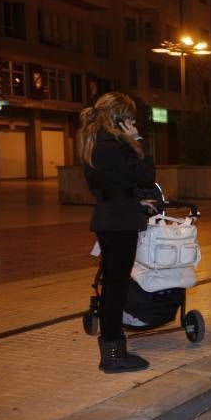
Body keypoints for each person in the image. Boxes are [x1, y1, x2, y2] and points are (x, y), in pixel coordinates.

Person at [79, 92, 155, 373]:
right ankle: (113, 353)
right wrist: (138, 141)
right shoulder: (120, 145)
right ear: (119, 118)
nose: (134, 123)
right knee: (116, 288)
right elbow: (147, 176)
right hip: (121, 222)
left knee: (112, 284)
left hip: (106, 217)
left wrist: (132, 201)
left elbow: (106, 186)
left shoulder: (92, 142)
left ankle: (113, 349)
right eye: (131, 118)